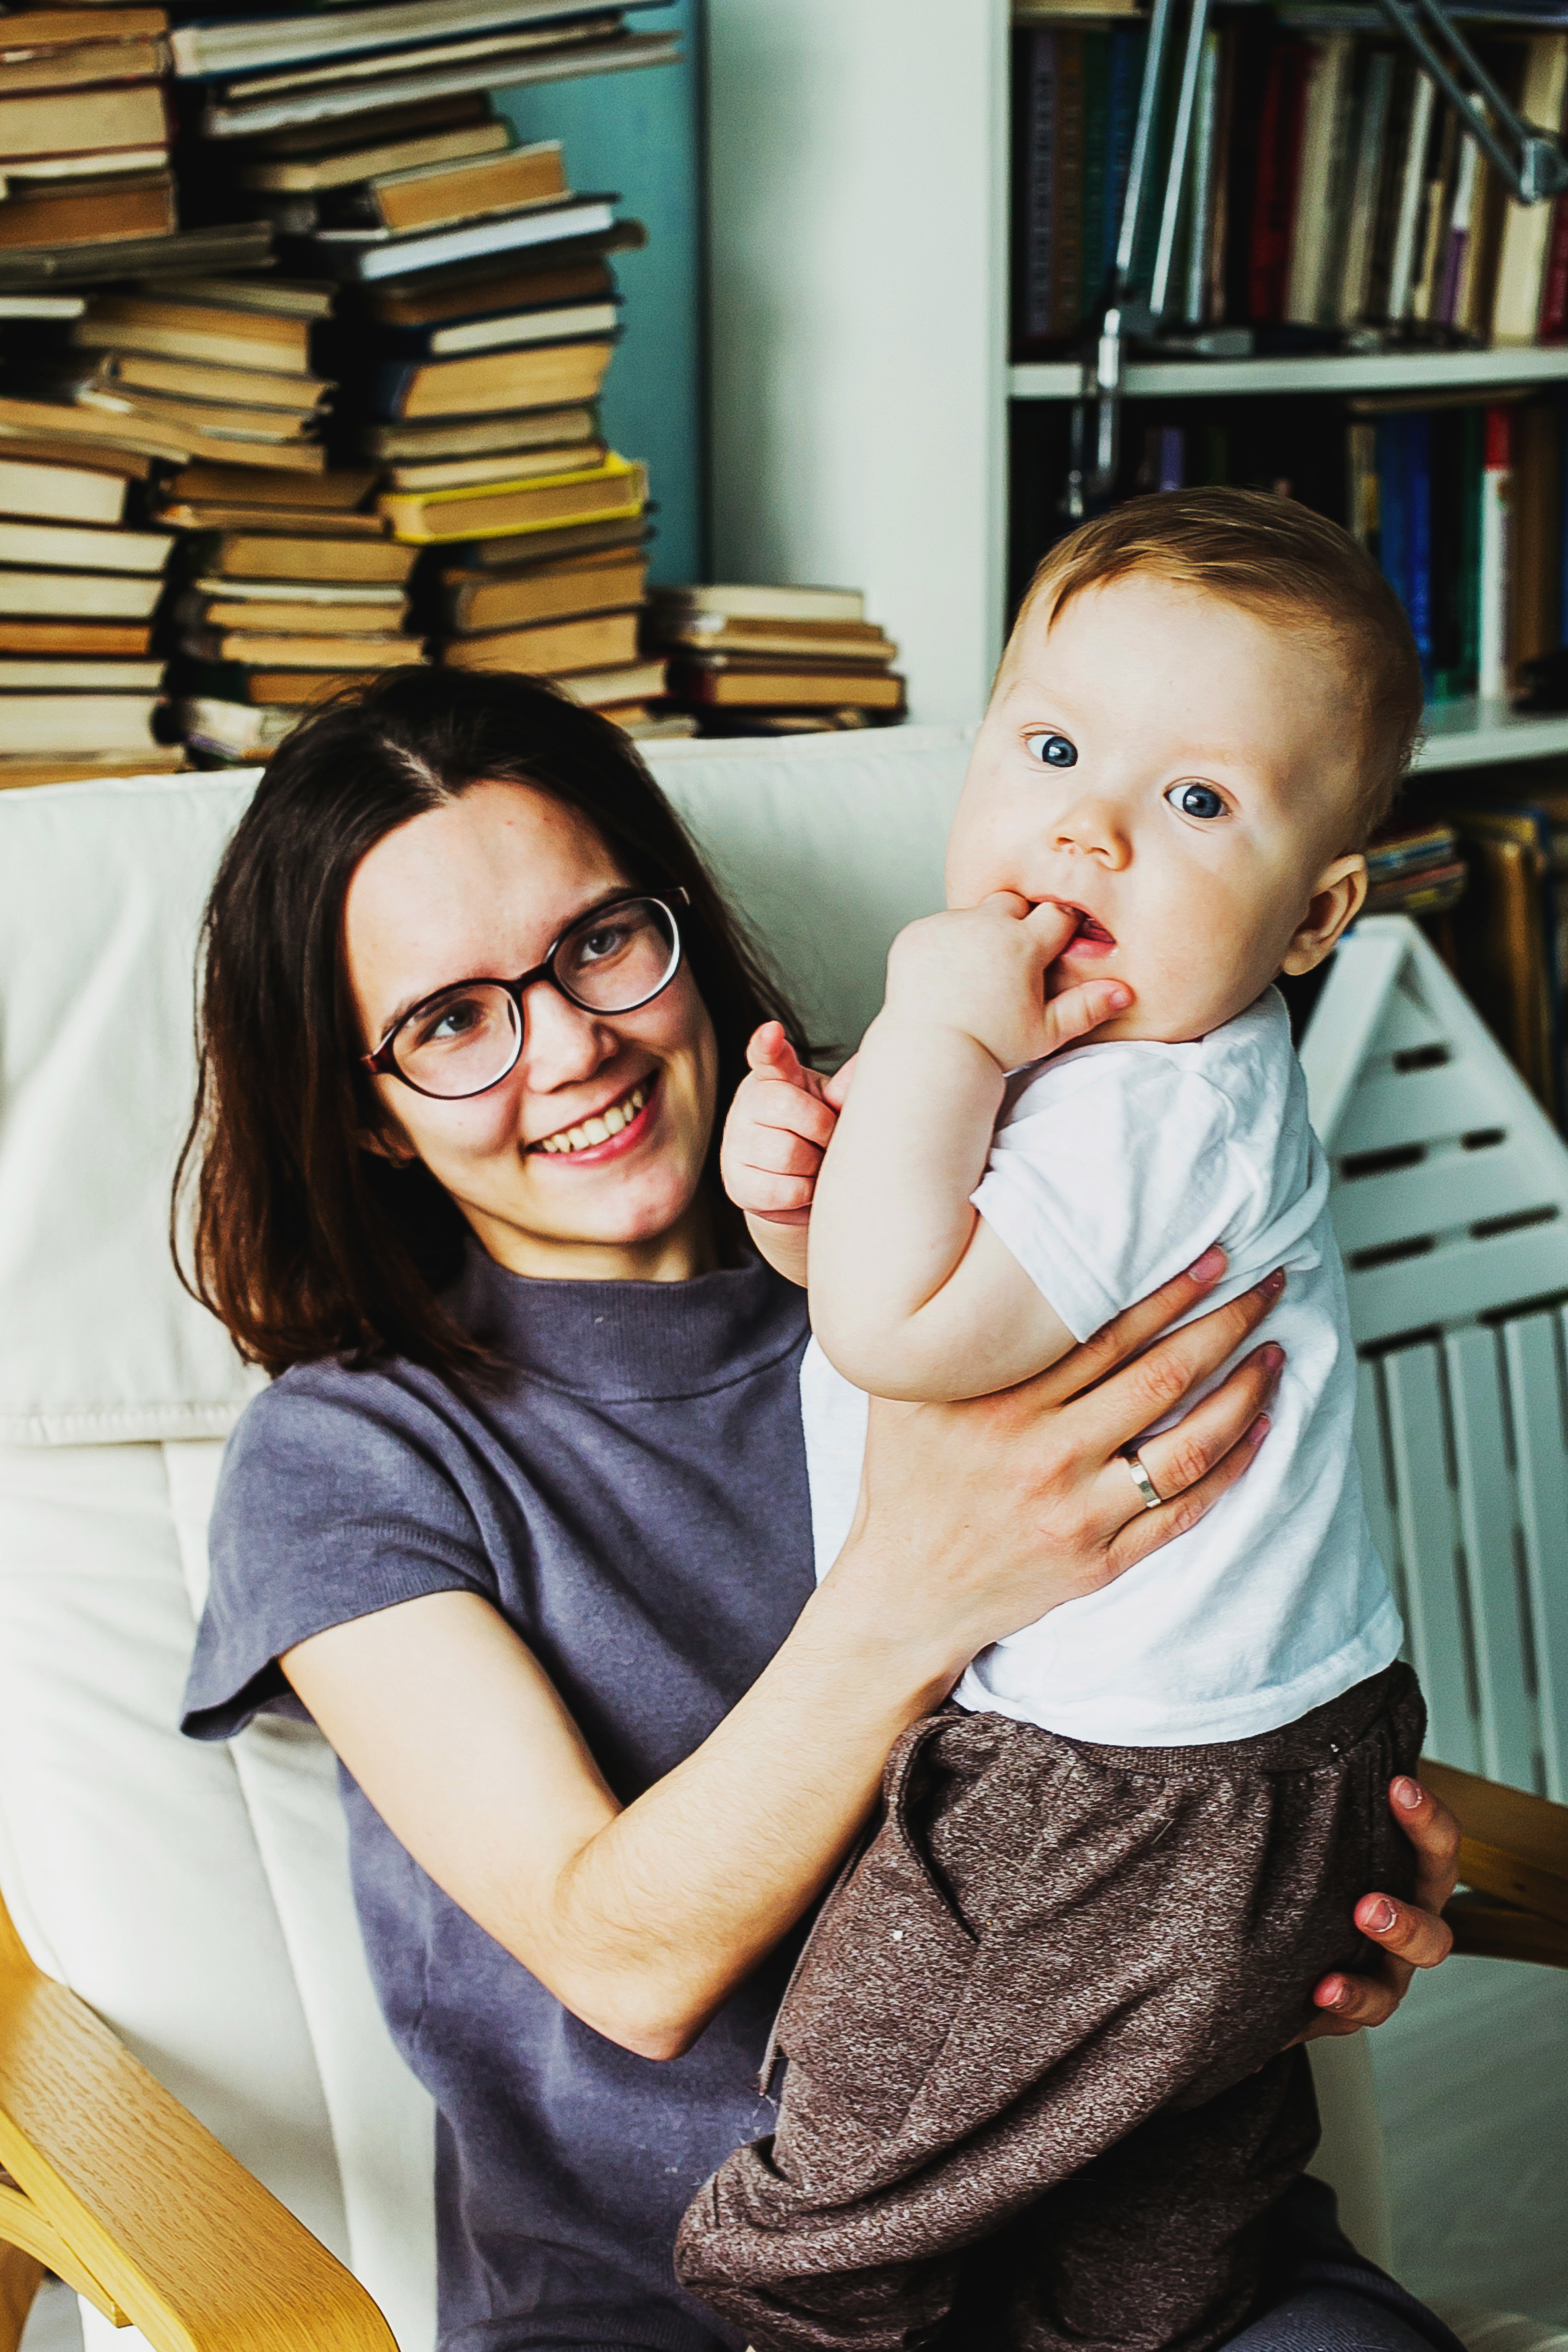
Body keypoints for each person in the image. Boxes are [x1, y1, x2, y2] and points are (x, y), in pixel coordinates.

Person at [176, 670, 1460, 2352]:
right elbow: (623, 1956)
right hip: (693, 2301)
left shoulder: (980, 1216)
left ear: (681, 931)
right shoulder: (349, 1458)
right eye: (450, 1022)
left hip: (1153, 2246)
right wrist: (924, 1583)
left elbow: (1222, 1634)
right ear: (367, 1109)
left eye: (596, 945)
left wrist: (1313, 1889)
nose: (568, 1045)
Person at [679, 492, 1430, 2352]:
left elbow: (899, 1318)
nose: (1086, 821)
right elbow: (917, 1280)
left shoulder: (1115, 1094)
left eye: (1193, 802)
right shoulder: (1102, 1061)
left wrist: (925, 1039)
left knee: (817, 2223)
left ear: (1314, 910)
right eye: (1050, 746)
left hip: (1097, 1782)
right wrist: (810, 1193)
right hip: (1271, 1743)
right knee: (1152, 2233)